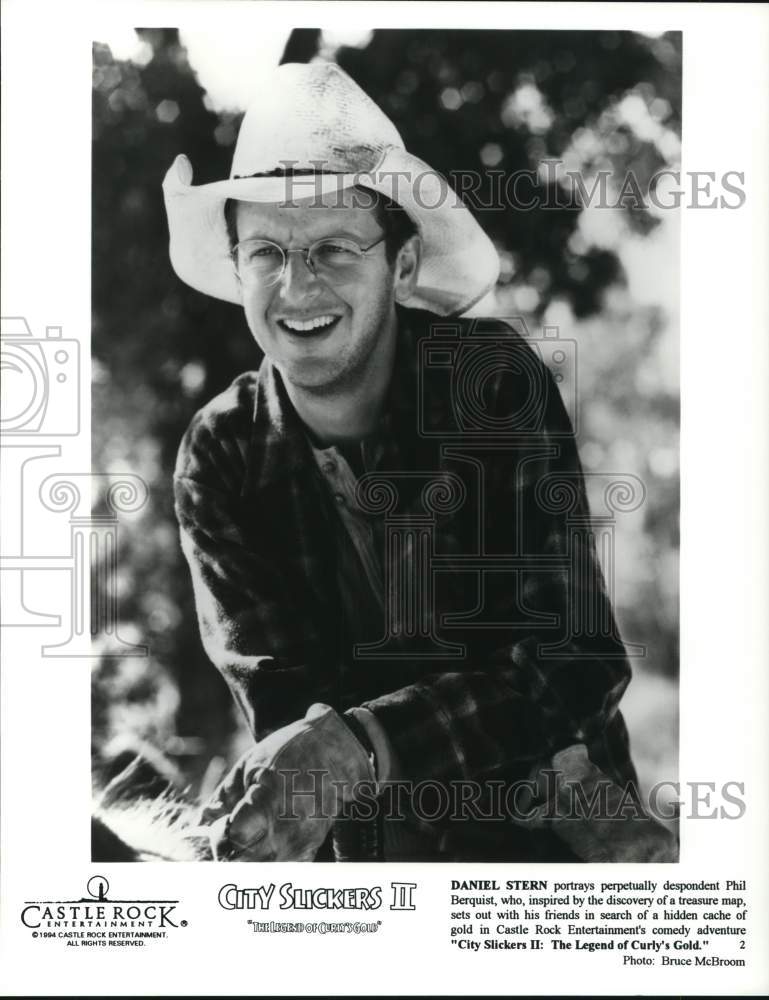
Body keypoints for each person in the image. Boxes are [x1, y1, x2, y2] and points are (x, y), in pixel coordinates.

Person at [164, 61, 676, 862]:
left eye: (334, 247)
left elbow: (570, 668)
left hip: (557, 857)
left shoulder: (490, 384)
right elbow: (289, 713)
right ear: (237, 269)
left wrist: (358, 745)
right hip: (374, 872)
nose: (296, 285)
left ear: (400, 268)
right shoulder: (219, 453)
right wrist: (342, 754)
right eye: (266, 251)